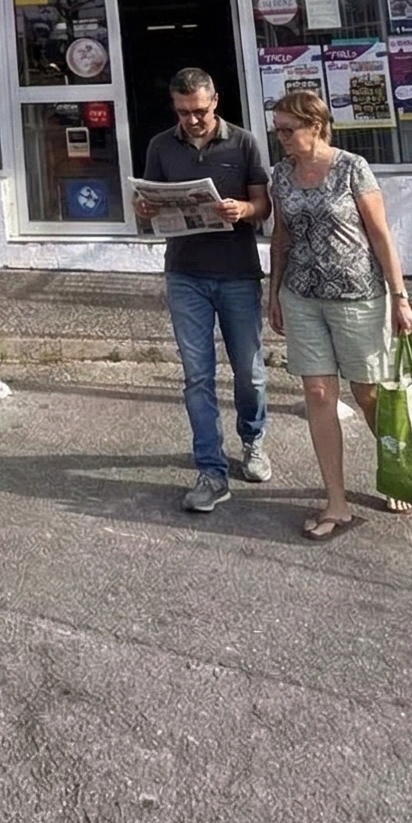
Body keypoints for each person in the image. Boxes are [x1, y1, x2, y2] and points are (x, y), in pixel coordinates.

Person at [267, 87, 412, 542]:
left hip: (357, 295)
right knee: (317, 393)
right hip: (302, 295)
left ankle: (399, 470)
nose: (282, 139)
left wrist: (400, 297)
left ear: (315, 126)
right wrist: (273, 293)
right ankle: (337, 501)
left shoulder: (353, 167)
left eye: (288, 130)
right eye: (277, 132)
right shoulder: (281, 174)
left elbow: (380, 234)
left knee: (368, 393)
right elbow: (281, 236)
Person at [142, 68, 272, 515]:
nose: (193, 120)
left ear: (215, 101)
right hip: (185, 274)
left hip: (237, 273)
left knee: (249, 372)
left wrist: (244, 209)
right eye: (184, 112)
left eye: (199, 110)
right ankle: (211, 471)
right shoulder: (161, 146)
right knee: (197, 377)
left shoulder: (244, 143)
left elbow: (263, 206)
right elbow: (149, 206)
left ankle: (253, 439)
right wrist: (146, 208)